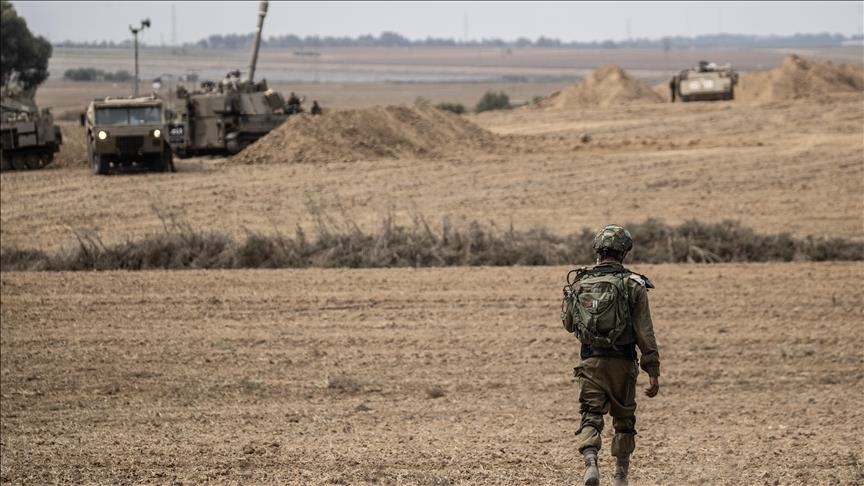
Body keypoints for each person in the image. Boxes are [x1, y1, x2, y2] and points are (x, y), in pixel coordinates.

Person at [563, 224, 661, 486]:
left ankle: (591, 463)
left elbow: (569, 324)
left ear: (598, 250)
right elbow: (645, 332)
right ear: (624, 252)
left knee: (590, 414)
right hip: (623, 364)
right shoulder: (634, 284)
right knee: (624, 420)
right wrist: (652, 370)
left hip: (590, 362)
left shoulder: (580, 282)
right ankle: (620, 476)